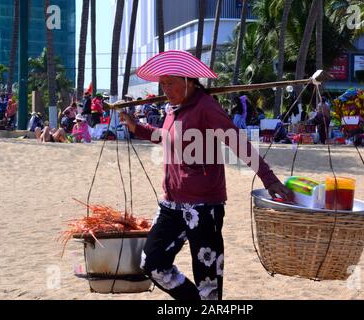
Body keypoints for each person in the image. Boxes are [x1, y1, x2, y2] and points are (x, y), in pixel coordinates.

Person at [119, 50, 293, 301]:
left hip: (203, 206)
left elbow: (237, 142)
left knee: (208, 282)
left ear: (189, 81)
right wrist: (137, 128)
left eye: (171, 83)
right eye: (162, 84)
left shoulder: (206, 107)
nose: (165, 89)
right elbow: (167, 138)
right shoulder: (173, 110)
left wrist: (269, 178)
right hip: (171, 203)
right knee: (152, 263)